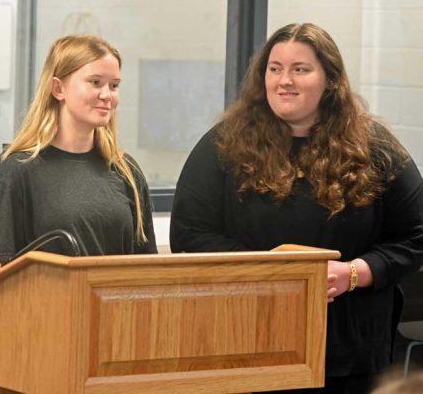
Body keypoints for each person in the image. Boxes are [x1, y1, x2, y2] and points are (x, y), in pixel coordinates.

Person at [170, 23, 423, 393]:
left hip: (350, 348)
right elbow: (190, 236)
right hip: (248, 342)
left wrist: (354, 273)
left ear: (330, 80)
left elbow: (415, 235)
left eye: (300, 69)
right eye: (275, 69)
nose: (284, 80)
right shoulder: (224, 146)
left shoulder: (375, 148)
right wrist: (272, 273)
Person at [0, 35, 157, 263]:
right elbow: (2, 269)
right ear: (58, 88)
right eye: (95, 82)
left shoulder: (125, 170)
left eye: (114, 85)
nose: (106, 95)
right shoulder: (19, 171)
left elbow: (146, 267)